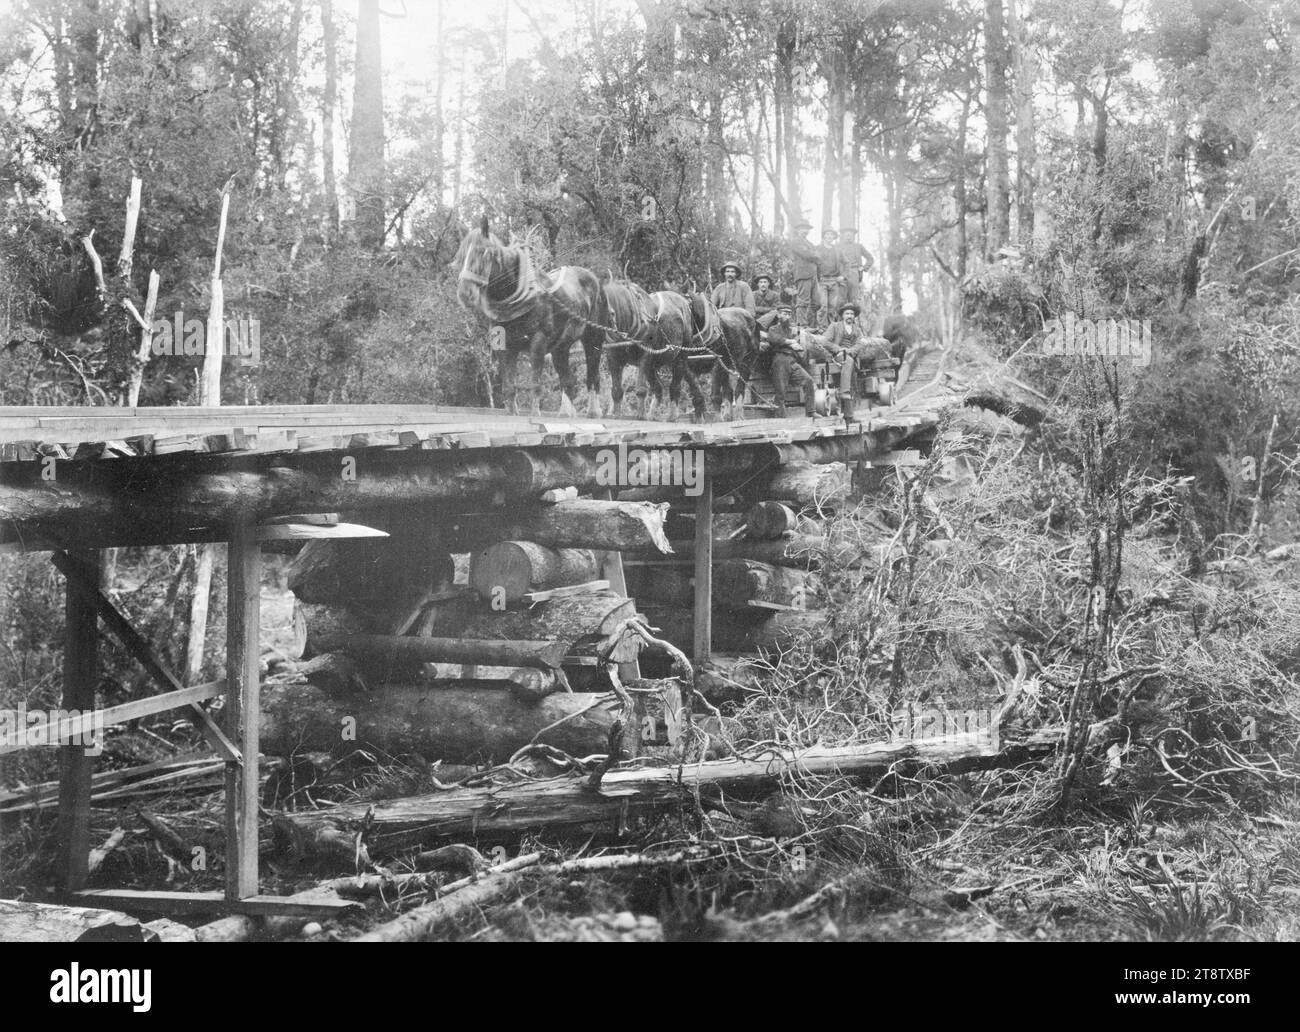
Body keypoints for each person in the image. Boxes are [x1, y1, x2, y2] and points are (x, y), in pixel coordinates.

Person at [825, 303, 891, 419]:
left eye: (851, 314)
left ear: (854, 316)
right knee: (848, 364)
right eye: (847, 313)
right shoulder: (834, 326)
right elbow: (826, 342)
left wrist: (850, 351)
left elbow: (860, 343)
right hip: (837, 356)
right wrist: (839, 350)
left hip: (851, 357)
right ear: (842, 315)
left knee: (853, 384)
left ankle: (849, 416)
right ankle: (844, 392)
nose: (849, 316)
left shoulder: (857, 330)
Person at [758, 301, 816, 418]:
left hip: (792, 361)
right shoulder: (773, 329)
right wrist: (790, 342)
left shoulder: (792, 330)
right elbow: (774, 339)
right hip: (780, 361)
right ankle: (781, 417)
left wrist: (797, 344)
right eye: (784, 314)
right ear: (778, 315)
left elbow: (799, 341)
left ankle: (811, 412)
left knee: (808, 381)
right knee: (781, 392)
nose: (787, 316)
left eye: (789, 314)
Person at [787, 219, 820, 327]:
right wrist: (814, 254)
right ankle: (802, 325)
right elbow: (807, 255)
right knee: (803, 301)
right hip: (803, 274)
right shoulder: (795, 241)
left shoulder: (809, 243)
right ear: (797, 230)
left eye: (807, 229)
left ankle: (812, 324)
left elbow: (818, 257)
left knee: (816, 302)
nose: (805, 230)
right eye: (802, 228)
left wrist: (814, 254)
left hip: (813, 274)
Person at [816, 228, 846, 328]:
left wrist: (843, 276)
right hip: (822, 280)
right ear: (824, 236)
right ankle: (821, 327)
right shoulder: (817, 249)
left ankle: (831, 328)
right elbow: (813, 263)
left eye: (831, 235)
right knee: (823, 305)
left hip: (834, 281)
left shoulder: (837, 250)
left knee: (832, 307)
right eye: (827, 234)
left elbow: (847, 263)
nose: (829, 237)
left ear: (834, 237)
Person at [837, 227, 875, 307]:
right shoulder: (838, 247)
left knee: (853, 299)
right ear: (843, 236)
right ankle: (840, 318)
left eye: (850, 235)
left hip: (854, 272)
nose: (848, 237)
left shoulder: (858, 246)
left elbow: (870, 258)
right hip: (841, 272)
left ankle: (853, 318)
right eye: (846, 235)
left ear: (853, 236)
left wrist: (864, 267)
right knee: (840, 299)